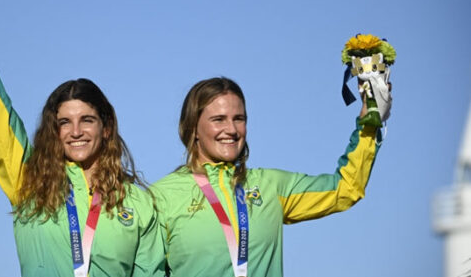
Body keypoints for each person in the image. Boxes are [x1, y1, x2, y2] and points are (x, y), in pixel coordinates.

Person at [0, 0, 165, 277]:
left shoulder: (138, 203)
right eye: (64, 123)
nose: (76, 131)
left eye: (87, 120)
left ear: (106, 128)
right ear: (53, 131)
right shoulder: (29, 181)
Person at [151, 77, 384, 276]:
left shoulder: (270, 186)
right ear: (193, 128)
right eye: (218, 119)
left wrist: (368, 126)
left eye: (239, 119)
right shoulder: (162, 197)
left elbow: (345, 188)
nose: (231, 129)